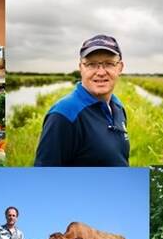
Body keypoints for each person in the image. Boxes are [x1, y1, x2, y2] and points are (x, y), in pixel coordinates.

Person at [34, 34, 129, 166]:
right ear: (81, 68)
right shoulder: (63, 116)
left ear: (120, 67)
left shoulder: (117, 106)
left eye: (109, 64)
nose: (101, 72)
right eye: (91, 64)